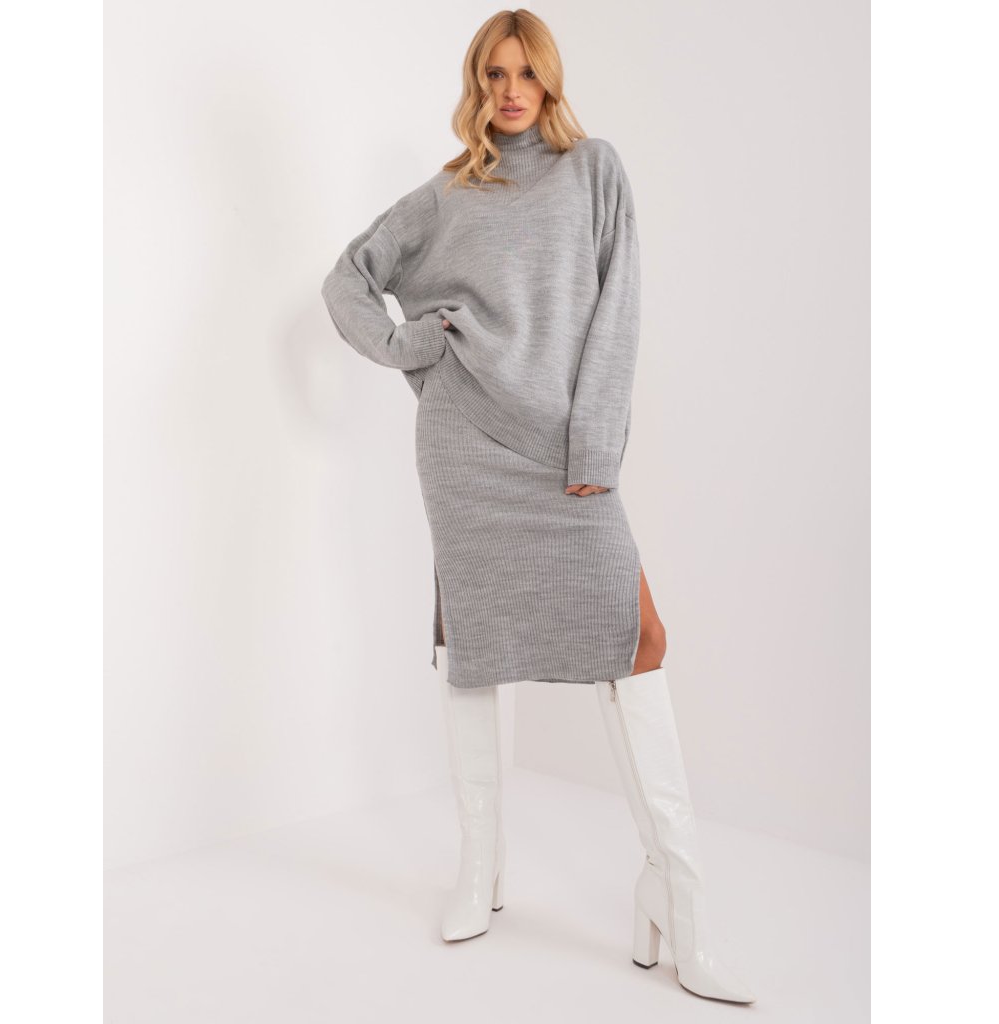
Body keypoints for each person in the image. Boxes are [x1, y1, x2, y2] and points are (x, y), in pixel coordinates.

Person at [321, 9, 756, 1005]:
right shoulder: (447, 193)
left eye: (526, 72)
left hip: (568, 459)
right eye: (493, 73)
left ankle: (679, 898)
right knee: (474, 647)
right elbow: (348, 280)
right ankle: (479, 869)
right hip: (466, 449)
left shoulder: (594, 170)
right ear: (476, 84)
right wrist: (408, 345)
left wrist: (594, 446)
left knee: (638, 641)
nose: (510, 89)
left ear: (550, 80)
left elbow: (619, 309)